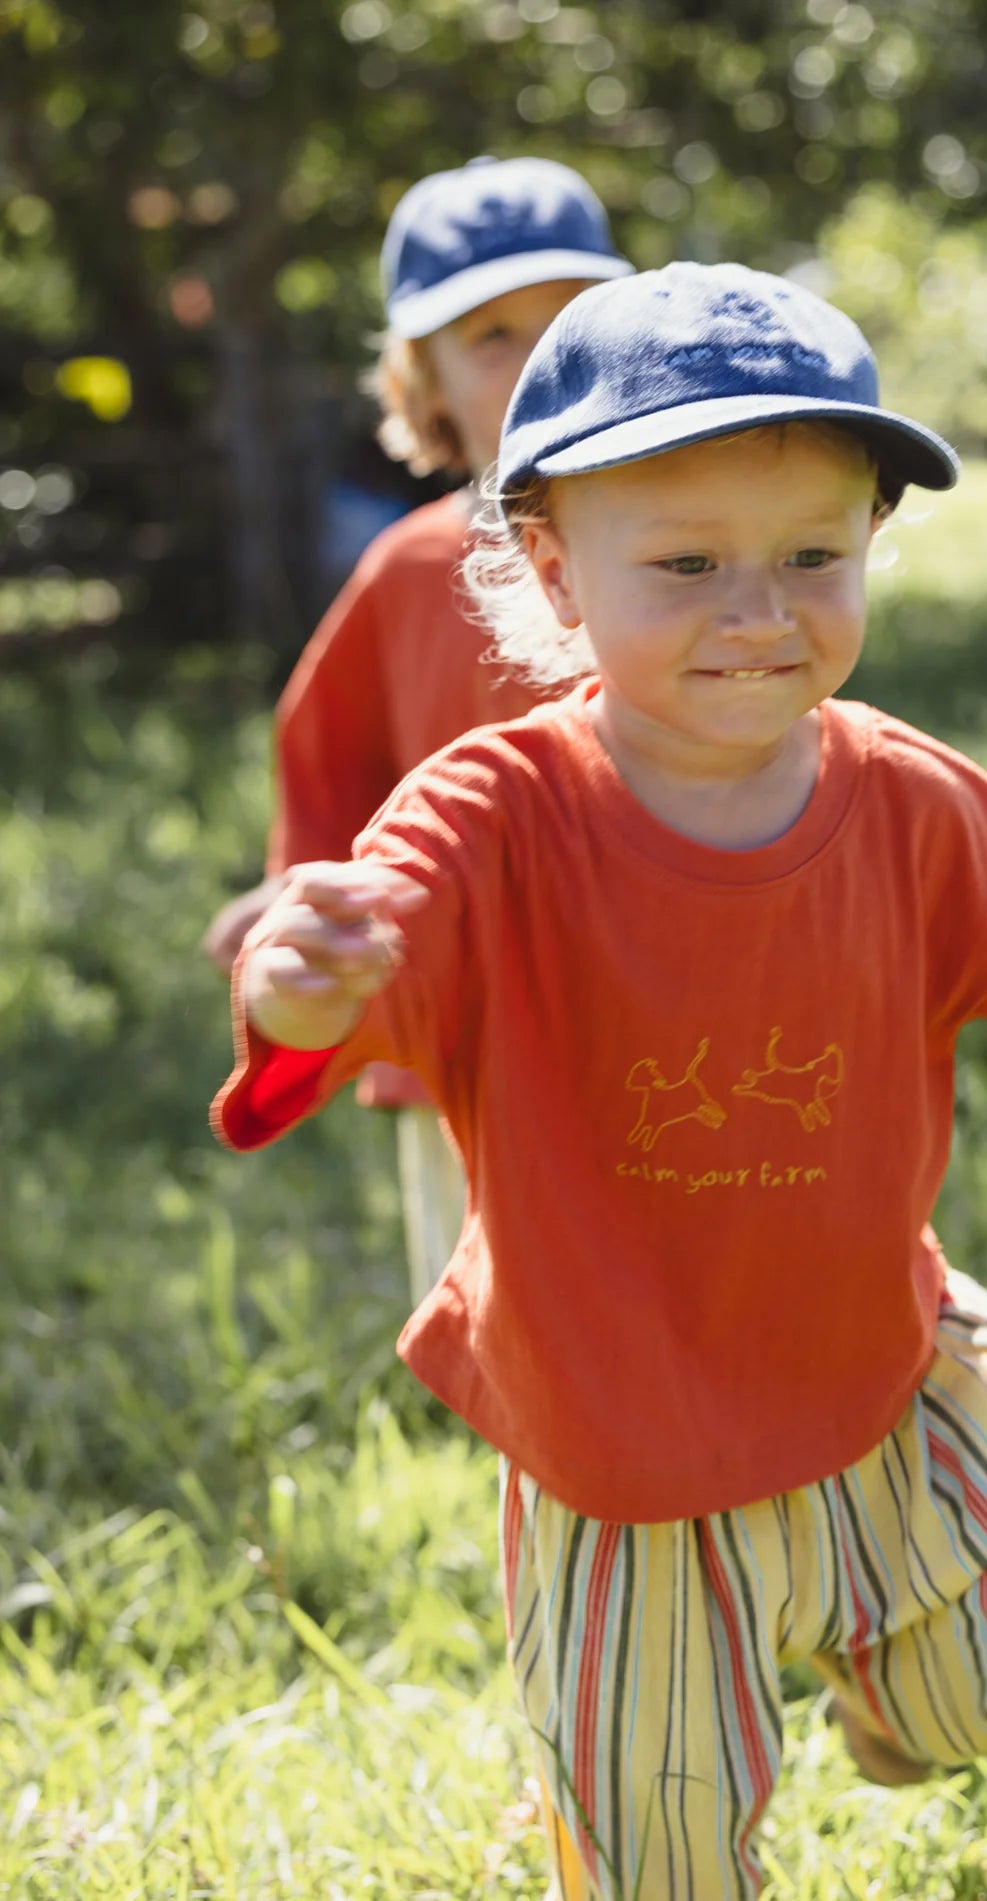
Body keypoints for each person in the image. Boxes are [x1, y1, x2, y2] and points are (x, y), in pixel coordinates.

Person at [212, 264, 987, 1900]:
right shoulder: (489, 814)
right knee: (662, 1843)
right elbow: (363, 974)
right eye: (686, 565)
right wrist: (301, 990)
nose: (761, 611)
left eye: (812, 556)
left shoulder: (915, 802)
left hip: (875, 1361)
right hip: (617, 1435)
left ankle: (886, 1700)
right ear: (555, 572)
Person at [202, 155, 633, 1305]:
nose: (538, 359)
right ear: (421, 380)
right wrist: (308, 896)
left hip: (658, 980)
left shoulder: (679, 546)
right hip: (466, 1021)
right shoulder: (410, 571)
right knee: (511, 1306)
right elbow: (332, 756)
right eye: (492, 334)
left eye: (567, 323)